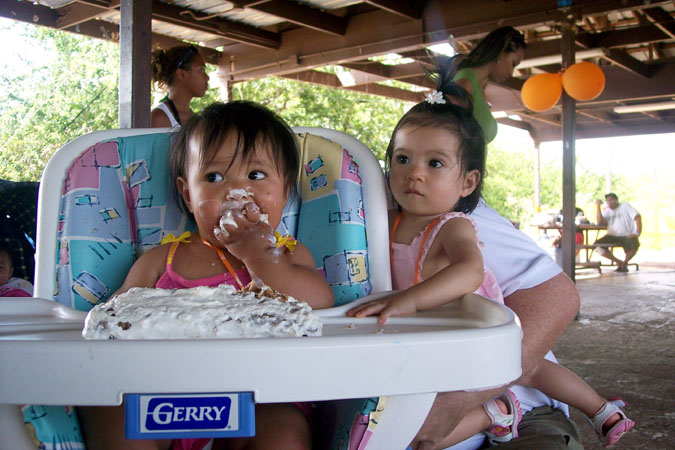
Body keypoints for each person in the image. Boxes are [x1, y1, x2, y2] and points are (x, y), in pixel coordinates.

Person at [347, 75, 634, 449]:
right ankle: (497, 413)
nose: (414, 172)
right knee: (415, 435)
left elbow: (470, 271)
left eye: (435, 163)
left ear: (467, 183)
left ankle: (597, 409)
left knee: (531, 368)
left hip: (479, 334)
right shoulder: (384, 219)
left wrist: (410, 300)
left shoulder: (452, 224)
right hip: (437, 344)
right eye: (403, 159)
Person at [78, 101, 334, 450]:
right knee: (110, 413)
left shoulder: (287, 255)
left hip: (263, 398)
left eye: (256, 175)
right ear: (188, 194)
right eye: (214, 177)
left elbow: (320, 302)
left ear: (286, 191)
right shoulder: (161, 261)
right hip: (163, 397)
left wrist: (261, 256)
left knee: (284, 433)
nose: (236, 191)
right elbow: (112, 322)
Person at [452, 26, 526, 144]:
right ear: (500, 52)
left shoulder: (477, 87)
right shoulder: (465, 82)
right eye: (513, 63)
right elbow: (451, 136)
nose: (511, 73)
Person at [150, 45, 209, 128]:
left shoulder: (195, 119)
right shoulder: (159, 118)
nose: (207, 77)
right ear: (181, 74)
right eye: (201, 70)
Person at [594, 193, 641, 272]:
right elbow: (600, 222)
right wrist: (598, 206)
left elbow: (637, 217)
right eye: (608, 201)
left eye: (612, 200)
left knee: (634, 245)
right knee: (596, 246)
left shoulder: (625, 206)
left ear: (616, 200)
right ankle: (618, 262)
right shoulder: (607, 211)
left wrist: (638, 232)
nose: (610, 202)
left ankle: (625, 263)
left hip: (626, 234)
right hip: (612, 235)